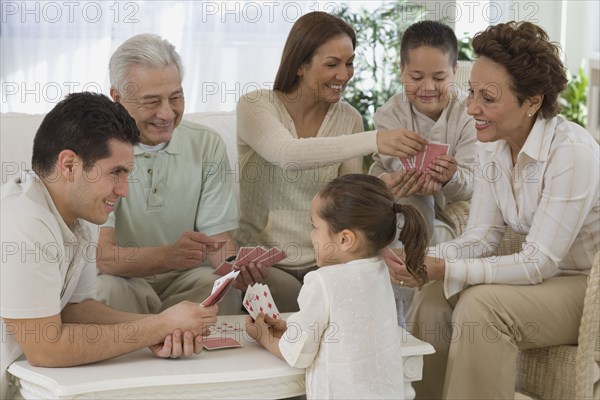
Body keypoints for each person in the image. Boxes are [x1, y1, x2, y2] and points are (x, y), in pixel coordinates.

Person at [384, 21, 600, 399]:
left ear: (532, 101)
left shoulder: (572, 152)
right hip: (542, 281)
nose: (471, 108)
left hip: (585, 287)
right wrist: (423, 259)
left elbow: (538, 262)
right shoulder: (493, 145)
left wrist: (446, 267)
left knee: (482, 306)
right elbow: (483, 236)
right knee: (434, 297)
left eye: (488, 97)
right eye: (471, 93)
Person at [0, 92, 218, 400]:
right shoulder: (24, 223)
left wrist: (161, 326)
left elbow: (77, 310)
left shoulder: (79, 217)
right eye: (116, 172)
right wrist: (157, 328)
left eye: (127, 174)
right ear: (69, 165)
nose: (123, 191)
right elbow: (46, 347)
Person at [235, 11, 429, 311]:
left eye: (349, 63)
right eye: (332, 64)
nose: (344, 75)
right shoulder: (256, 105)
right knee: (297, 301)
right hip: (266, 265)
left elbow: (343, 198)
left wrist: (382, 186)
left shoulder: (349, 118)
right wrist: (375, 139)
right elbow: (288, 154)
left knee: (358, 291)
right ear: (300, 65)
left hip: (326, 261)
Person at [95, 34, 243, 315]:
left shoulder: (206, 143)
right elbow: (104, 257)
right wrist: (168, 255)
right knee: (105, 291)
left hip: (185, 278)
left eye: (176, 97)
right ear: (117, 97)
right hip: (124, 279)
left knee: (222, 289)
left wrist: (236, 268)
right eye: (151, 101)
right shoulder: (96, 149)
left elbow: (217, 242)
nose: (167, 113)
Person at [245, 174, 429, 399]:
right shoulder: (380, 271)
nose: (311, 236)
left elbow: (300, 352)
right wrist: (289, 327)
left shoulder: (322, 280)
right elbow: (343, 328)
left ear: (345, 239)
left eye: (315, 227)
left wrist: (263, 336)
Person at [370, 20, 476, 245]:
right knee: (413, 196)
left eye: (439, 78)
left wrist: (451, 176)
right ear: (402, 71)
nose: (427, 87)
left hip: (449, 203)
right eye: (416, 78)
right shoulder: (390, 114)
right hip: (401, 198)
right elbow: (386, 169)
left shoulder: (469, 113)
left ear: (455, 72)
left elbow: (472, 182)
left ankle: (413, 266)